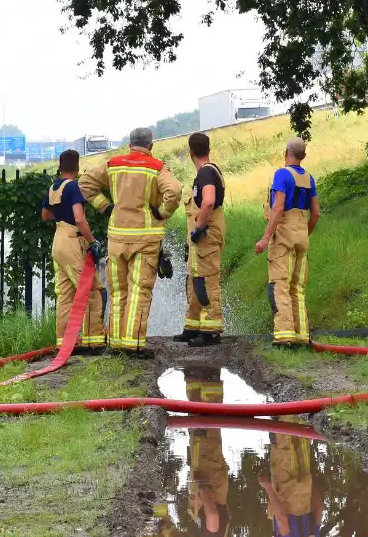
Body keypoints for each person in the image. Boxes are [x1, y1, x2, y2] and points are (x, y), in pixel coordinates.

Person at [80, 127, 181, 358]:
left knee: (117, 291)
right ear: (151, 146)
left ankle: (116, 343)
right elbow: (174, 191)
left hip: (116, 237)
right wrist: (162, 213)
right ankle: (133, 344)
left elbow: (85, 183)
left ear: (129, 144)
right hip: (145, 239)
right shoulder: (157, 167)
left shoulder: (113, 164)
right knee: (139, 291)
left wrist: (105, 206)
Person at [255, 138, 320, 347]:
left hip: (283, 238)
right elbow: (316, 213)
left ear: (286, 152)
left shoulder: (282, 174)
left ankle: (284, 336)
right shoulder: (309, 178)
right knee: (298, 288)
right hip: (302, 236)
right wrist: (303, 233)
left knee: (279, 286)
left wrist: (265, 238)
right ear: (303, 156)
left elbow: (278, 208)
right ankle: (301, 336)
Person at [41, 150, 106, 354]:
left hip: (58, 240)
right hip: (71, 240)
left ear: (60, 167)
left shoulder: (53, 188)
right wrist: (92, 241)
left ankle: (64, 341)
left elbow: (45, 215)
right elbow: (79, 218)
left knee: (65, 294)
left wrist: (61, 212)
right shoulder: (74, 187)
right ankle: (92, 341)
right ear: (77, 168)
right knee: (91, 289)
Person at [175, 132, 227, 348]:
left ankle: (211, 331)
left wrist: (198, 228)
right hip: (198, 241)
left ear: (191, 153)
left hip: (205, 237)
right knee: (194, 281)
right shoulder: (208, 172)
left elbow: (208, 202)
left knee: (206, 283)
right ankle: (193, 327)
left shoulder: (206, 173)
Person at [184, 366, 230, 536]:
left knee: (198, 430)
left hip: (206, 476)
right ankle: (210, 382)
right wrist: (202, 490)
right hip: (210, 480)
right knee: (208, 434)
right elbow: (211, 515)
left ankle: (194, 381)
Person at [259, 419, 323, 537]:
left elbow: (319, 508)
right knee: (283, 447)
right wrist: (268, 488)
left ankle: (302, 411)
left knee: (302, 444)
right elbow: (282, 519)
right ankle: (284, 412)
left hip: (305, 493)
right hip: (286, 493)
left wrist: (310, 483)